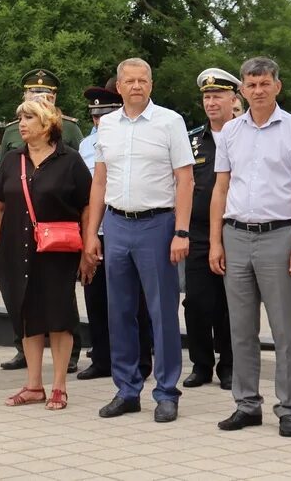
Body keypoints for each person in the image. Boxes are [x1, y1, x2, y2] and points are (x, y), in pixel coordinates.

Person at [85, 57, 195, 424]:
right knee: (119, 312)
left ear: (151, 84)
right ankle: (128, 389)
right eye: (129, 80)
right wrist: (92, 233)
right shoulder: (108, 126)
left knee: (162, 311)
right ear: (118, 86)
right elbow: (99, 181)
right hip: (116, 225)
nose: (136, 86)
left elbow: (185, 179)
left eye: (142, 80)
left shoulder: (170, 122)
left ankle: (166, 392)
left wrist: (181, 231)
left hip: (157, 225)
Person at [210, 56, 291, 438]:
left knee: (285, 330)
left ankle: (288, 408)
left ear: (277, 86)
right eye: (251, 85)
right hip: (236, 235)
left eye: (264, 83)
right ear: (242, 89)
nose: (257, 90)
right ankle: (246, 404)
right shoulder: (231, 132)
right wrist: (216, 242)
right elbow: (221, 188)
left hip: (279, 236)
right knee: (240, 328)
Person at [0, 98, 92, 411]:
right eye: (20, 117)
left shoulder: (70, 160)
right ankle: (33, 385)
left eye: (29, 118)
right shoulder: (11, 160)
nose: (22, 123)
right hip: (16, 249)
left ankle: (59, 386)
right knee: (27, 315)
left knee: (59, 317)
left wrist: (89, 244)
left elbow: (87, 204)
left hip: (57, 251)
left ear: (47, 122)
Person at [0, 67, 83, 372]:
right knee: (24, 300)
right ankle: (24, 356)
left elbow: (79, 190)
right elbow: (1, 194)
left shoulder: (70, 133)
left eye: (44, 95)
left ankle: (68, 357)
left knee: (60, 299)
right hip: (20, 235)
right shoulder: (11, 136)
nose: (24, 122)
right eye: (31, 94)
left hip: (57, 235)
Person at [77, 80, 154, 382]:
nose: (98, 119)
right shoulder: (85, 144)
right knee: (96, 297)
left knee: (134, 301)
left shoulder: (129, 134)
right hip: (98, 229)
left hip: (128, 224)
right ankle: (102, 358)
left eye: (104, 113)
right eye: (94, 115)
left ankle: (141, 360)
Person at [181, 68, 237, 390]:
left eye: (217, 95)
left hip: (236, 229)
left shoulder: (244, 136)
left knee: (231, 303)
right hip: (199, 231)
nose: (211, 101)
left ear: (233, 98)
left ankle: (229, 366)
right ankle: (201, 364)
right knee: (198, 301)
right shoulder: (192, 140)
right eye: (206, 96)